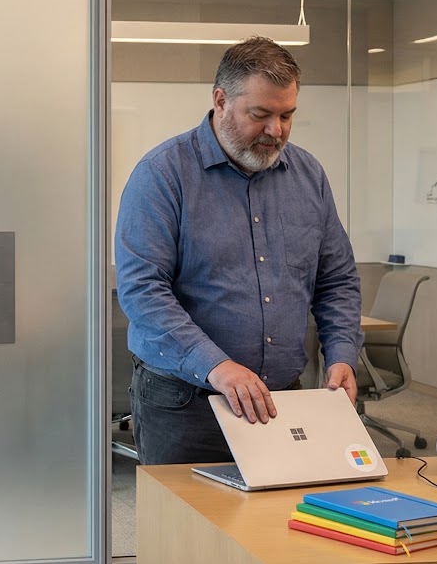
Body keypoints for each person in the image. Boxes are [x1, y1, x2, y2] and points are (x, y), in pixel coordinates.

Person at [114, 36, 363, 465]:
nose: (276, 130)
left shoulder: (308, 176)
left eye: (287, 115)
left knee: (276, 526)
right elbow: (143, 292)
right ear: (220, 100)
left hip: (283, 403)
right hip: (187, 404)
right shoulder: (162, 175)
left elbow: (336, 279)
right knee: (186, 531)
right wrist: (216, 365)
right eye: (261, 115)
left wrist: (341, 354)